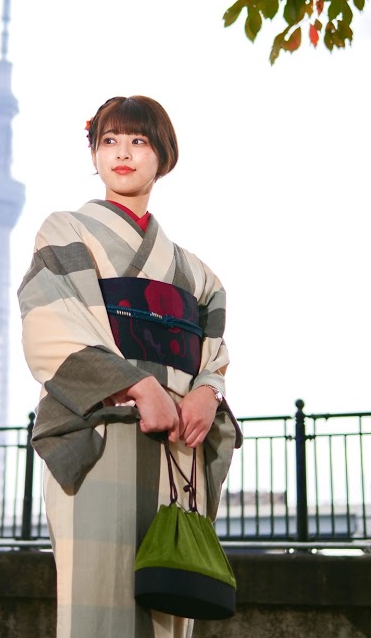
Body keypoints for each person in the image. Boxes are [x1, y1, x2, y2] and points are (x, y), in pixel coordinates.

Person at [17, 95, 242, 638]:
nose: (122, 153)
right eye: (109, 141)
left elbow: (213, 352)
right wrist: (139, 385)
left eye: (139, 141)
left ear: (162, 156)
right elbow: (52, 321)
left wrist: (207, 393)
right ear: (94, 153)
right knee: (98, 599)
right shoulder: (66, 231)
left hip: (179, 443)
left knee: (171, 594)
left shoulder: (197, 273)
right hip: (102, 431)